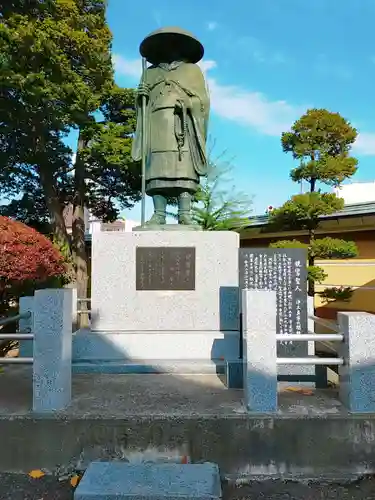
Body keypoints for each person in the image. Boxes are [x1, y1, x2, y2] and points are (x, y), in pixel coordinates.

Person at [131, 27, 210, 225]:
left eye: (174, 43)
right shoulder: (149, 72)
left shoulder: (192, 70)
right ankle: (159, 214)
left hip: (182, 124)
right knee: (156, 168)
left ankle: (185, 213)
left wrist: (188, 104)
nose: (169, 47)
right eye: (164, 43)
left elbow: (203, 101)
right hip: (156, 124)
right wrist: (140, 96)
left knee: (183, 168)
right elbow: (142, 105)